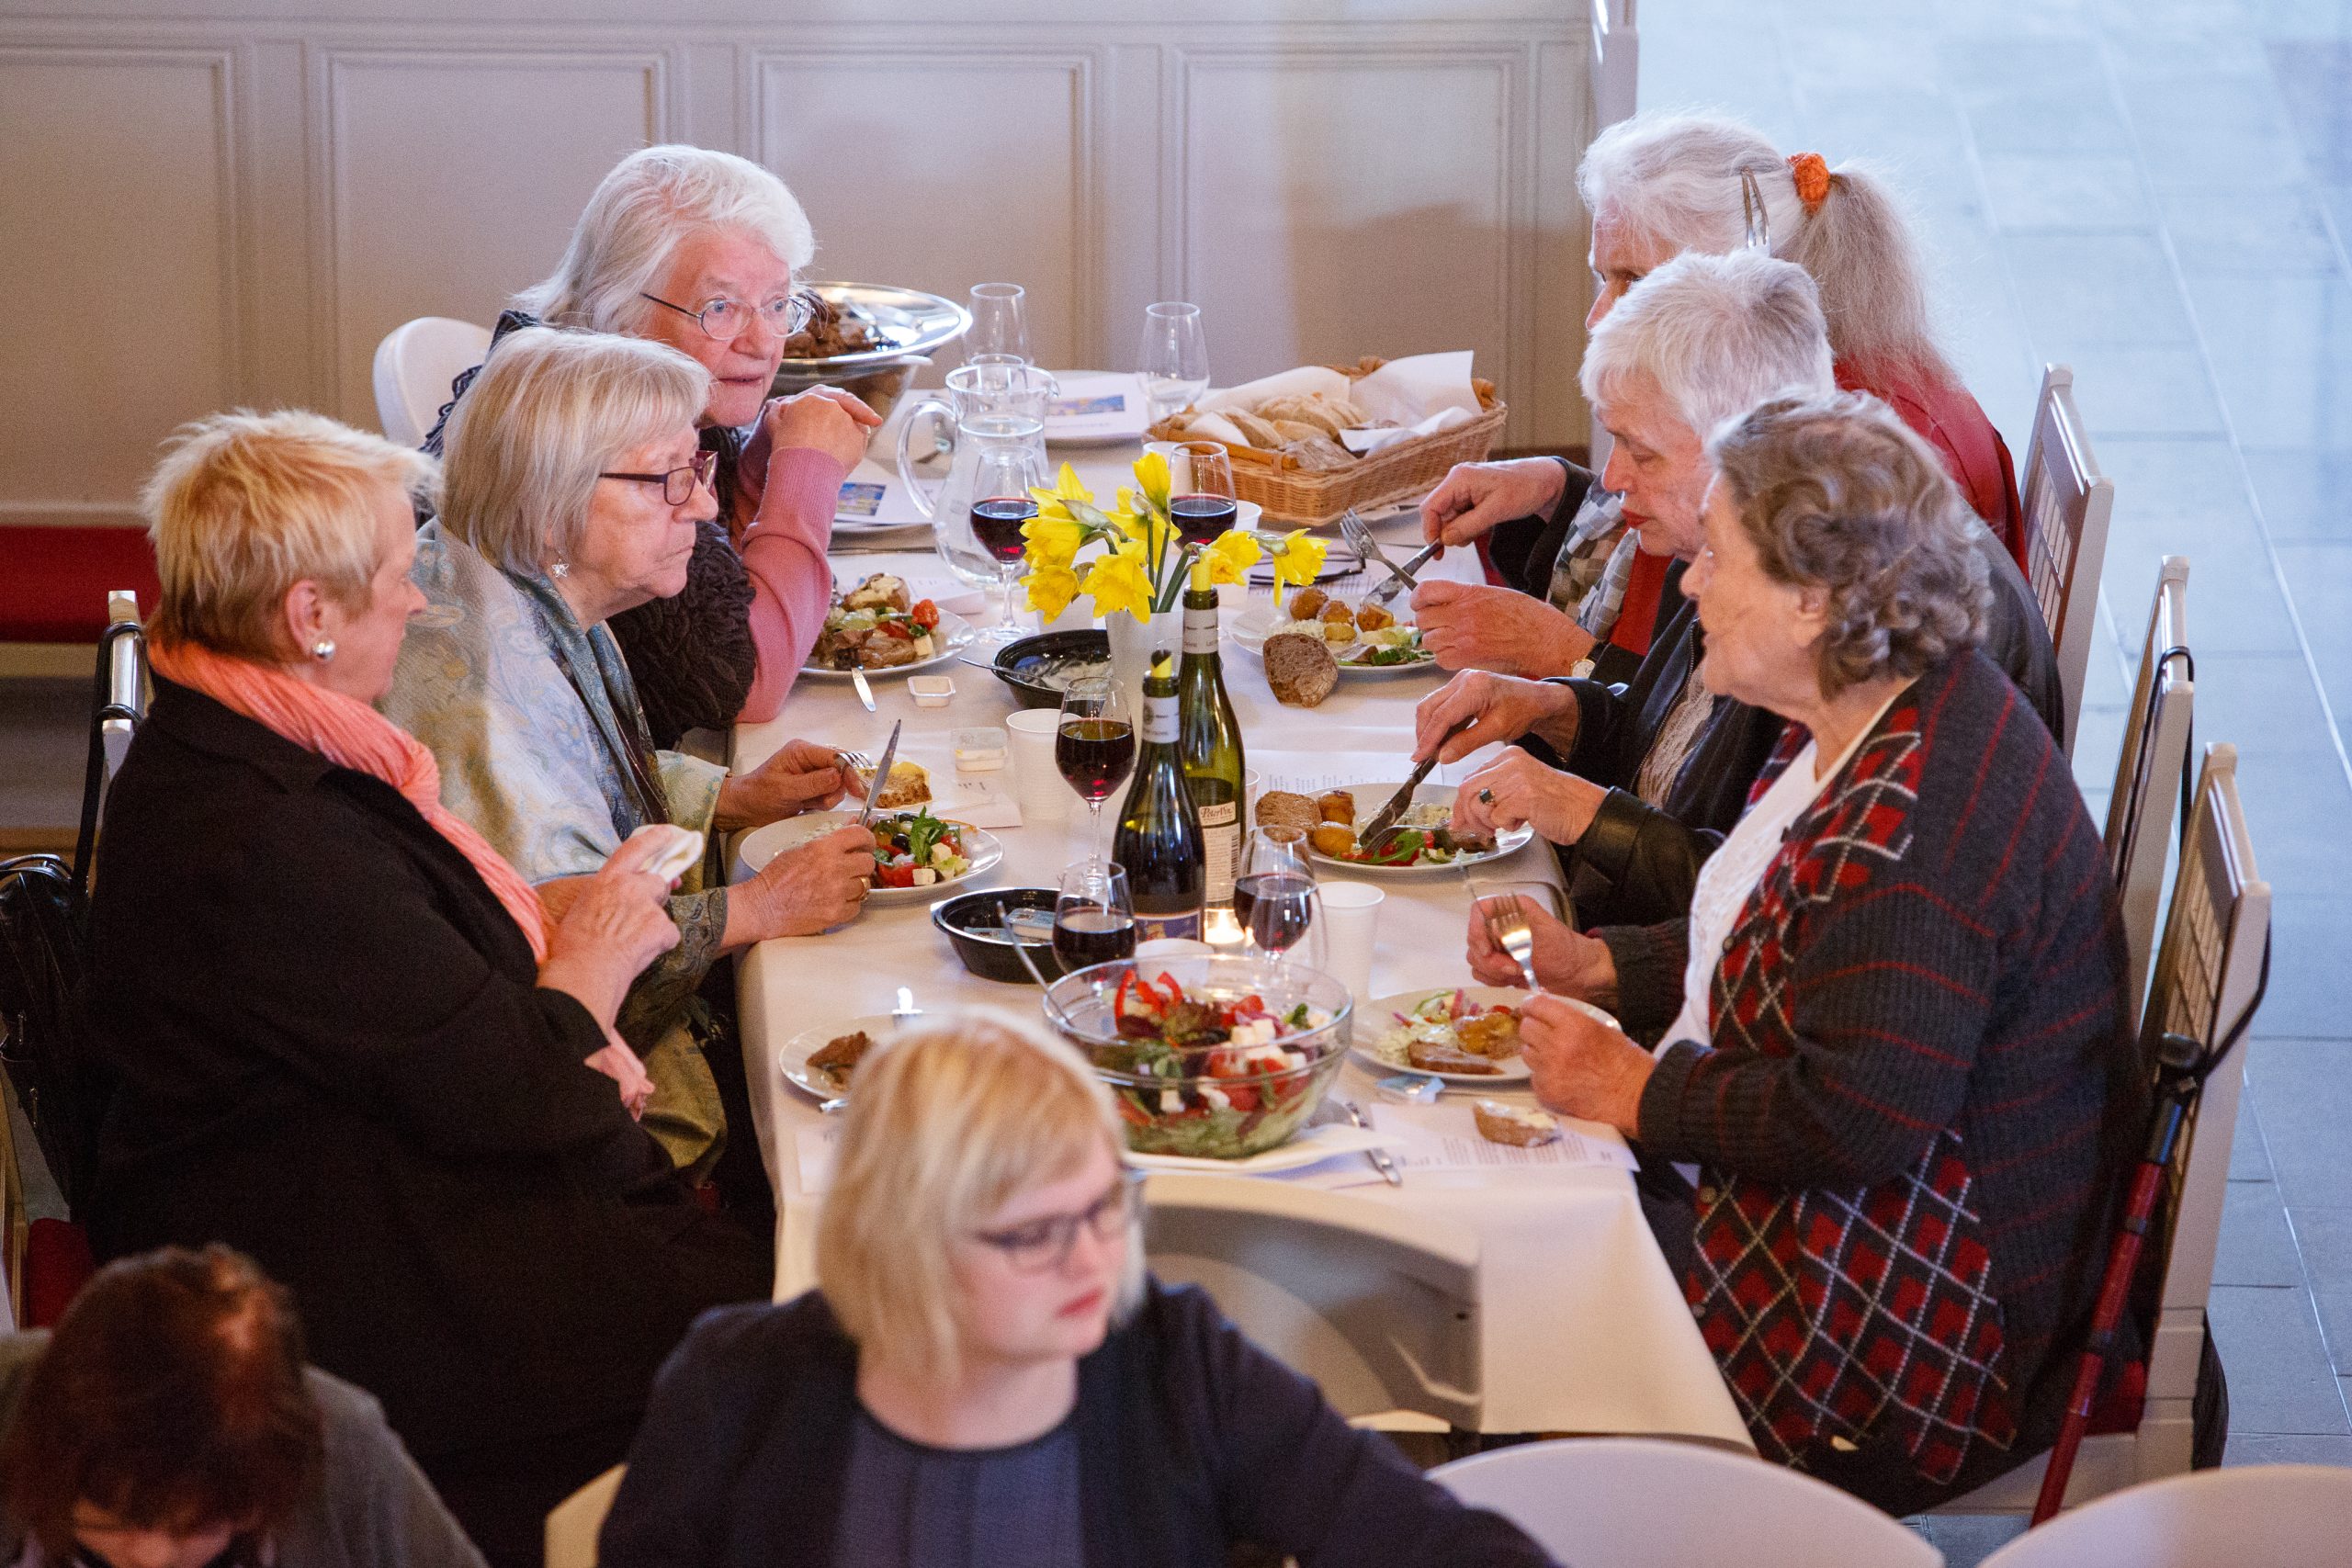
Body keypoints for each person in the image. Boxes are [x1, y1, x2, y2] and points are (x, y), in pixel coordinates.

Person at [83, 411, 770, 1568]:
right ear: (309, 617)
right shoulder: (267, 838)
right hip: (350, 1274)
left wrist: (565, 996)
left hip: (361, 1170)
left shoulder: (250, 743)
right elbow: (513, 1095)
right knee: (787, 1308)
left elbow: (440, 1014)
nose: (418, 603)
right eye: (401, 581)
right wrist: (591, 970)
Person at [1474, 393, 2146, 1514]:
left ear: (1814, 600)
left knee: (1509, 1309)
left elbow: (1854, 1117)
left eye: (1719, 560)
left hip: (1899, 1323)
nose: (1688, 586)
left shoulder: (1917, 829)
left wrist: (1640, 1092)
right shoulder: (1869, 708)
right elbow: (1784, 957)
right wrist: (1597, 968)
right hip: (1843, 1225)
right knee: (1505, 1233)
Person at [597, 1014, 1558, 1568]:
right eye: (1033, 1234)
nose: (1094, 1263)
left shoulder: (1175, 1363)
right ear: (901, 1239)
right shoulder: (738, 1389)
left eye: (1106, 1209)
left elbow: (1448, 1553)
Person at [1416, 251, 2058, 949]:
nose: (1611, 477)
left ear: (1741, 435)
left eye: (1641, 450)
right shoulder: (1748, 530)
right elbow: (1669, 746)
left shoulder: (1840, 600)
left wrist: (1582, 813)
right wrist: (1547, 706)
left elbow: (1779, 913)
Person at [385, 326, 876, 1179]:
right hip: (564, 1142)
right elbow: (552, 939)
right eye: (667, 482)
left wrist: (731, 796)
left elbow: (579, 771)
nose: (708, 509)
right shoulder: (479, 701)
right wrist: (756, 909)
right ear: (550, 505)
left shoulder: (516, 579)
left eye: (701, 470)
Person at [1416, 109, 2027, 680]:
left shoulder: (1829, 448)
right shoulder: (1789, 366)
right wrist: (1557, 492)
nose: (1599, 317)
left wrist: (1560, 652)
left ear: (1730, 269)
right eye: (1604, 278)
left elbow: (1736, 725)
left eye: (1633, 280)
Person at [425, 144, 879, 747]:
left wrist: (754, 473)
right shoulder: (584, 431)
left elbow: (721, 583)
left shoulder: (649, 379)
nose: (764, 342)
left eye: (778, 305)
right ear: (622, 306)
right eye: (719, 307)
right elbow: (746, 687)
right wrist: (806, 472)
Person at [0, 1245, 484, 1568]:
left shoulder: (341, 1449)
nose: (148, 1557)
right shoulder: (12, 1399)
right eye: (110, 1513)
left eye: (193, 1526)